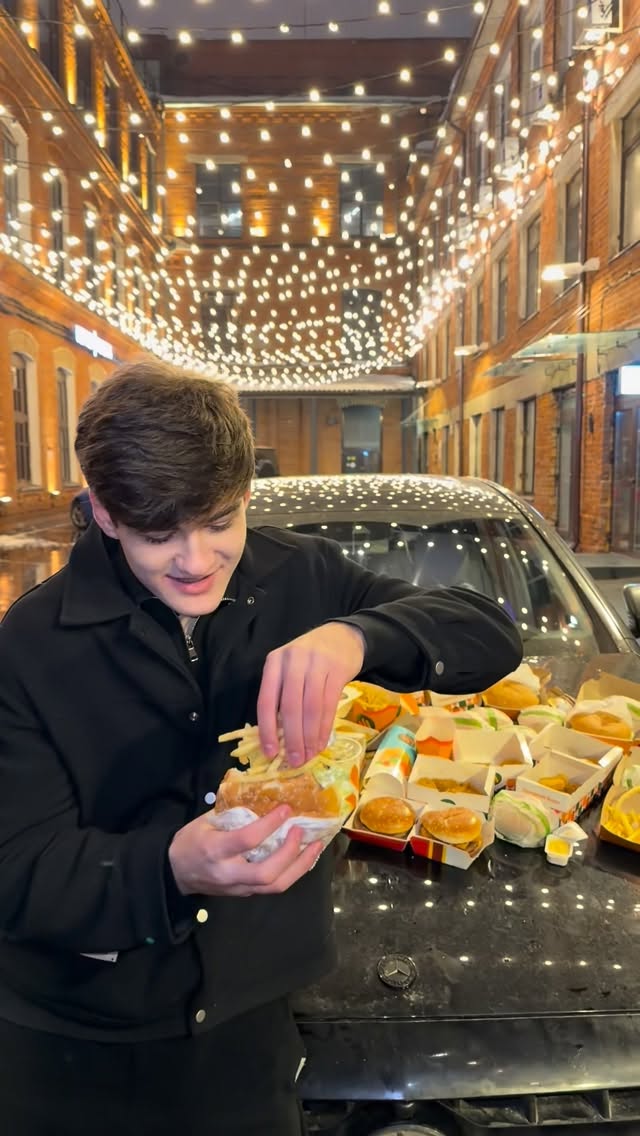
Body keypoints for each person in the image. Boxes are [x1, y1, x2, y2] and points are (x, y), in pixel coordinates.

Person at [0, 362, 522, 1136]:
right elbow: (18, 870)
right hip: (76, 1044)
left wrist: (358, 636)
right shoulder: (30, 642)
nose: (196, 560)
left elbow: (488, 631)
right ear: (104, 513)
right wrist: (170, 868)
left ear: (246, 494)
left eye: (219, 522)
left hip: (250, 1031)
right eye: (158, 535)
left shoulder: (300, 575)